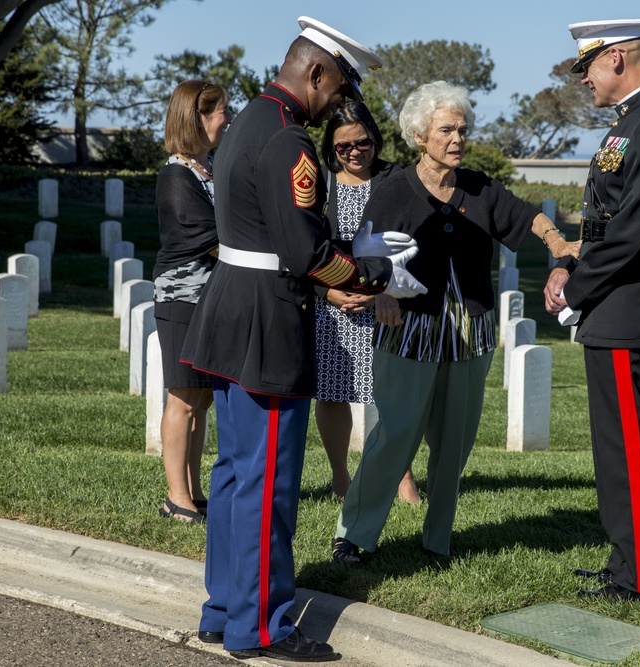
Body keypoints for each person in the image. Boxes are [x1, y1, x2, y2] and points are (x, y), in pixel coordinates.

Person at [179, 17, 424, 662]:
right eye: (336, 87)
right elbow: (304, 251)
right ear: (314, 73)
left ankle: (223, 610)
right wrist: (375, 271)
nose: (336, 104)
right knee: (267, 485)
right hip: (265, 323)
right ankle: (260, 627)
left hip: (230, 310)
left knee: (234, 476)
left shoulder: (245, 124)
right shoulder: (288, 142)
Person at [332, 81, 577, 565]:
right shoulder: (392, 190)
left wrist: (556, 241)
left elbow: (526, 216)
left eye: (463, 130)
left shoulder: (479, 187)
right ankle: (354, 535)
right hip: (408, 330)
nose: (458, 139)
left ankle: (437, 541)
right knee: (394, 433)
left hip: (470, 332)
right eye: (446, 130)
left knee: (454, 443)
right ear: (420, 136)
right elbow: (362, 251)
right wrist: (378, 292)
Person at [543, 19, 640, 600]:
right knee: (613, 443)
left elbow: (630, 233)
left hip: (625, 299)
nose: (583, 79)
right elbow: (605, 225)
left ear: (617, 60)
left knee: (630, 441)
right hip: (613, 298)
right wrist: (572, 268)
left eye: (587, 67)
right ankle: (626, 560)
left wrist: (578, 291)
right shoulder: (633, 122)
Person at [313, 101, 421, 504]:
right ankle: (340, 476)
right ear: (331, 148)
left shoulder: (397, 180)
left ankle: (401, 474)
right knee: (332, 392)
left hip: (387, 305)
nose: (355, 152)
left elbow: (413, 242)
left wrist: (386, 293)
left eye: (363, 142)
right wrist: (328, 291)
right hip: (333, 306)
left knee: (392, 394)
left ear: (376, 140)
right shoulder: (319, 184)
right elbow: (306, 246)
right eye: (344, 147)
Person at [153, 79, 232, 524]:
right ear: (196, 119)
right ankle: (176, 497)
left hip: (212, 298)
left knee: (201, 398)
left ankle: (195, 492)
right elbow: (215, 240)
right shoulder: (176, 176)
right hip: (182, 298)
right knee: (182, 398)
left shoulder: (212, 168)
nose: (228, 119)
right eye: (221, 111)